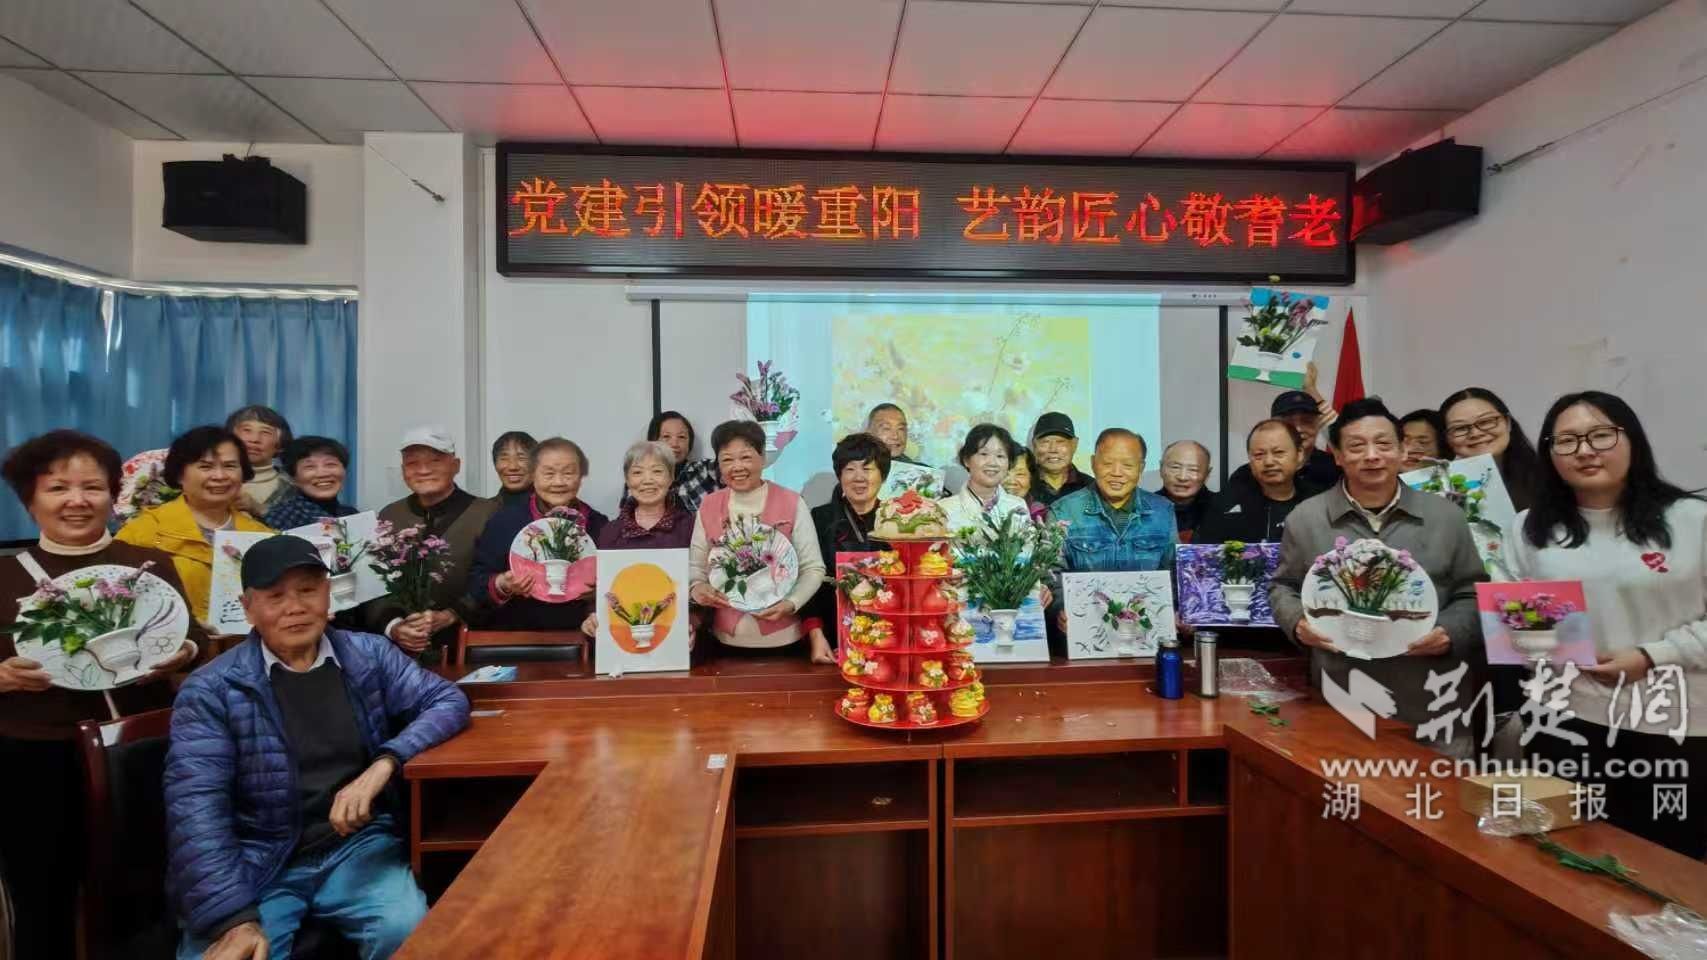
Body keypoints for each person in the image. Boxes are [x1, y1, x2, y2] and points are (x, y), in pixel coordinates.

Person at [166, 535, 469, 960]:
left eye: (308, 590)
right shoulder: (211, 689)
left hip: (358, 845)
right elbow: (197, 811)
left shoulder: (367, 653)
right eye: (275, 596)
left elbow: (447, 700)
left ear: (328, 595)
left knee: (407, 930)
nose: (295, 607)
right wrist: (232, 918)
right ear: (248, 607)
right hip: (260, 857)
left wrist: (385, 762)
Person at [0, 431, 201, 959]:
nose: (77, 500)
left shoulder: (147, 565)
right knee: (42, 892)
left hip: (143, 748)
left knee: (147, 887)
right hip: (35, 755)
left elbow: (196, 642)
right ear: (30, 499)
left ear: (113, 495)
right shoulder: (4, 576)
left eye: (92, 487)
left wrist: (182, 653)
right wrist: (2, 677)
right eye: (57, 488)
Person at [1508, 391, 1707, 859]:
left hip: (1675, 725)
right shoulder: (1528, 528)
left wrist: (1653, 655)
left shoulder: (1692, 520)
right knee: (1565, 859)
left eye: (1600, 435)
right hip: (1565, 722)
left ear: (1632, 440)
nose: (1584, 451)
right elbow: (1523, 626)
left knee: (1665, 866)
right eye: (1567, 441)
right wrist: (1536, 644)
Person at [1269, 398, 1488, 751]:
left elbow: (1472, 592)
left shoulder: (1446, 516)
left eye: (1384, 444)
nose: (1372, 456)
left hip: (1433, 700)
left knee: (1439, 787)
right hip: (1342, 698)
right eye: (1357, 446)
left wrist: (1450, 631)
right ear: (1337, 455)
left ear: (1402, 450)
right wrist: (1297, 623)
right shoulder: (1306, 518)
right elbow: (1283, 586)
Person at [688, 421, 826, 656]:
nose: (737, 467)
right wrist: (697, 587)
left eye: (746, 457)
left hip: (786, 640)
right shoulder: (709, 505)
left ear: (763, 458)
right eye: (727, 459)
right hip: (723, 642)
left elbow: (813, 567)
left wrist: (791, 603)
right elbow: (696, 567)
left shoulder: (792, 502)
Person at [364, 426, 499, 659]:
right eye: (412, 463)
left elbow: (499, 582)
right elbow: (372, 582)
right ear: (403, 470)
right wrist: (393, 626)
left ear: (456, 465)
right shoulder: (390, 515)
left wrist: (452, 614)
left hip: (469, 648)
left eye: (435, 461)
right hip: (401, 655)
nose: (423, 470)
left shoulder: (488, 513)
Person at [117, 425, 274, 625]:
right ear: (180, 474)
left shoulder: (263, 536)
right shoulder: (142, 532)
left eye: (230, 466)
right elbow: (114, 599)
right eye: (205, 467)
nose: (220, 476)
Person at [470, 438, 610, 636]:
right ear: (532, 476)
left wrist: (597, 592)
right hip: (516, 636)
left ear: (581, 477)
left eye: (568, 473)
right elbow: (477, 581)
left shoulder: (599, 525)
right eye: (549, 473)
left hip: (580, 635)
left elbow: (614, 585)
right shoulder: (504, 522)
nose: (558, 482)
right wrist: (503, 583)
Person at [804, 434, 892, 664]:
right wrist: (815, 634)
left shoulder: (895, 521)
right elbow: (807, 579)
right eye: (850, 469)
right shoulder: (819, 518)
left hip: (888, 639)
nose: (858, 477)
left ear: (882, 475)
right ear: (839, 475)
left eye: (867, 468)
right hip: (831, 640)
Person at [1050, 429, 1177, 574]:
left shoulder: (1162, 511)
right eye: (1107, 463)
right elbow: (1051, 577)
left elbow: (1174, 574)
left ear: (1141, 468)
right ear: (1093, 463)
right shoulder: (1063, 512)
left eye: (1127, 465)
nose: (1116, 473)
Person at [1197, 420, 1321, 545]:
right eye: (1259, 454)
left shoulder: (1319, 503)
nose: (1268, 462)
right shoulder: (1225, 504)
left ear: (1299, 454)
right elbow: (1204, 552)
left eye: (1278, 453)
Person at [1440, 387, 1542, 512]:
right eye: (1460, 428)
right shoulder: (1437, 488)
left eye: (1486, 421)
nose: (1475, 433)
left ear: (1508, 423)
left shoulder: (1549, 475)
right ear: (1446, 438)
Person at [1225, 390, 1340, 496]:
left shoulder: (1336, 469)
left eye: (1306, 421)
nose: (1298, 429)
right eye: (1289, 422)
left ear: (1318, 425)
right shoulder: (1246, 476)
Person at [597, 441, 696, 551]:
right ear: (627, 479)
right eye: (638, 472)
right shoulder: (610, 532)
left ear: (671, 477)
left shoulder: (690, 528)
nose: (648, 480)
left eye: (657, 471)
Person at [942, 423, 1034, 535]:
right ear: (966, 460)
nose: (992, 463)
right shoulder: (945, 509)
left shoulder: (1017, 505)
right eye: (984, 454)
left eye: (1000, 456)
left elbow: (1029, 544)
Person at [264, 436, 359, 530]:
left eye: (330, 464)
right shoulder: (279, 518)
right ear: (293, 477)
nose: (322, 474)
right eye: (310, 467)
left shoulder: (352, 515)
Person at [642, 411, 723, 512]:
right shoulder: (640, 478)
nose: (675, 444)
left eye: (681, 437)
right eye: (666, 437)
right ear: (653, 441)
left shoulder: (706, 470)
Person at [227, 404, 294, 519]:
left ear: (280, 444)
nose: (254, 439)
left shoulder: (291, 488)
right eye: (246, 430)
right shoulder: (214, 478)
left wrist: (259, 508)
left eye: (265, 432)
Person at [1155, 439, 1214, 541]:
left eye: (1193, 470)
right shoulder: (1142, 508)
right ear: (1161, 468)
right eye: (1175, 467)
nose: (1182, 477)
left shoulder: (1222, 509)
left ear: (1207, 474)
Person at [1027, 411, 1089, 507]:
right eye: (1045, 442)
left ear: (1074, 444)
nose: (1053, 449)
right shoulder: (1023, 484)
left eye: (1060, 442)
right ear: (1034, 445)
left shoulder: (1090, 488)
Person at [489, 430, 537, 509]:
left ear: (537, 464)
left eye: (521, 458)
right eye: (504, 458)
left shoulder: (552, 510)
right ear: (495, 464)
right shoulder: (483, 510)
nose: (512, 467)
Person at [1004, 448, 1047, 520]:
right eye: (1005, 474)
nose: (1011, 481)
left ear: (1031, 479)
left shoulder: (1041, 514)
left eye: (1020, 474)